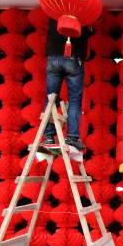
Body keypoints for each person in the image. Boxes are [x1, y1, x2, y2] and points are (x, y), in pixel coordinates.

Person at [41, 18, 93, 150]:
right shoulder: (80, 15)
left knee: (51, 98)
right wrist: (89, 29)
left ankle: (48, 136)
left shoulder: (54, 13)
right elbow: (82, 37)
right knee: (74, 100)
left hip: (53, 58)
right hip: (73, 58)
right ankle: (72, 136)